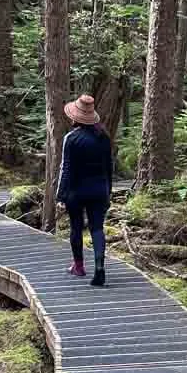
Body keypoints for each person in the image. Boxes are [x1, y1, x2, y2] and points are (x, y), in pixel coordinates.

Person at [56, 94, 113, 287]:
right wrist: (109, 191)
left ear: (75, 117)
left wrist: (60, 195)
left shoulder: (71, 139)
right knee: (97, 229)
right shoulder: (104, 137)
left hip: (76, 191)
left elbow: (66, 168)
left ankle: (78, 266)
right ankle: (99, 269)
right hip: (99, 190)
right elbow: (109, 167)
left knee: (76, 227)